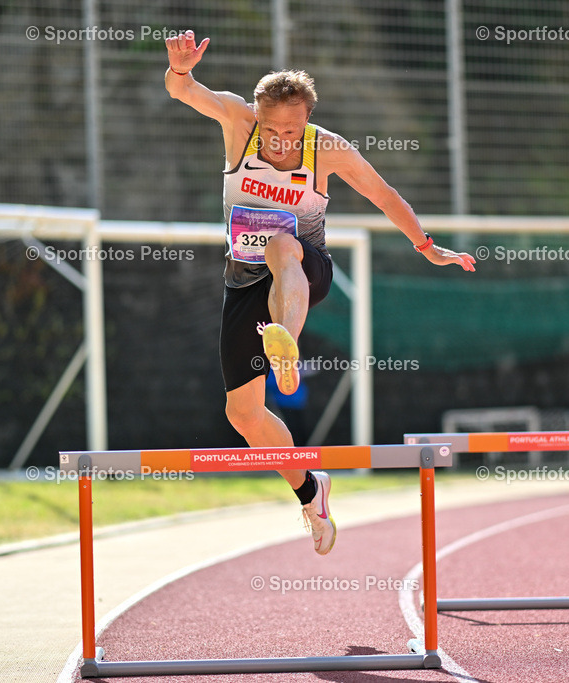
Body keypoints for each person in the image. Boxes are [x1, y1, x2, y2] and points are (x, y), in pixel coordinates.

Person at [164, 30, 476, 556]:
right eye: (273, 131)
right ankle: (311, 492)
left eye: (293, 129)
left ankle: (285, 342)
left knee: (283, 244)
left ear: (307, 120)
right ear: (257, 117)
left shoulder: (327, 150)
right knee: (242, 415)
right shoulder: (238, 122)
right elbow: (186, 93)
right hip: (244, 281)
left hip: (306, 271)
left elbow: (383, 194)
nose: (282, 141)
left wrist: (427, 246)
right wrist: (180, 70)